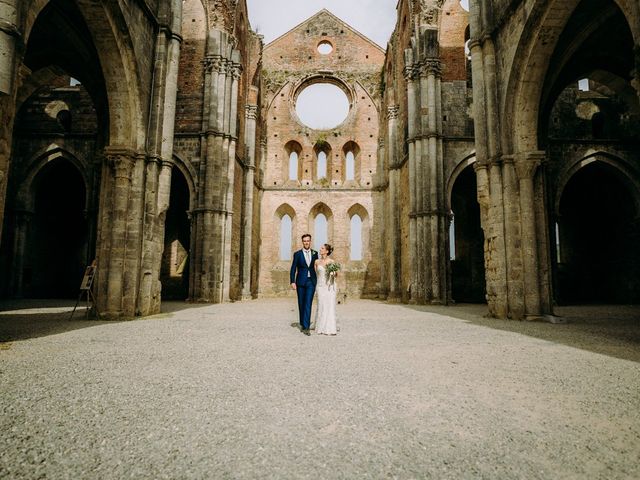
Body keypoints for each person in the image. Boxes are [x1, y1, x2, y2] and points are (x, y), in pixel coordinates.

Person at [290, 234, 318, 336]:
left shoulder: (315, 253)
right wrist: (292, 281)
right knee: (301, 303)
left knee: (308, 303)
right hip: (300, 282)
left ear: (310, 241)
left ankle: (306, 327)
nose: (306, 242)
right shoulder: (297, 254)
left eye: (308, 241)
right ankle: (302, 322)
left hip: (311, 281)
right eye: (305, 241)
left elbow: (317, 266)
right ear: (302, 242)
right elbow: (293, 268)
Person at [314, 243, 338, 336]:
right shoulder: (316, 262)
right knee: (321, 304)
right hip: (320, 286)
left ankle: (330, 327)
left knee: (330, 305)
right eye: (320, 248)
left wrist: (333, 272)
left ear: (327, 251)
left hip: (329, 286)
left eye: (322, 248)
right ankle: (320, 326)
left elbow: (336, 275)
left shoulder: (332, 262)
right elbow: (316, 274)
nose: (320, 249)